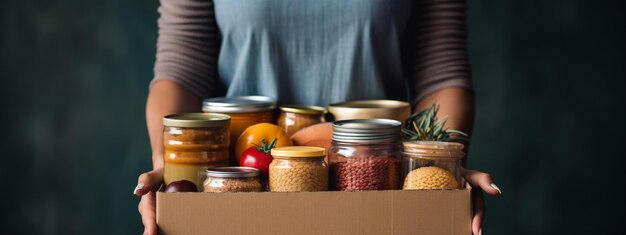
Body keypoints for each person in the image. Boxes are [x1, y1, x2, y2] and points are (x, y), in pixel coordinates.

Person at [133, 0, 501, 234]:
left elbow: (441, 72)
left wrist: (438, 164)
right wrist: (169, 165)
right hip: (243, 192)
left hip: (378, 194)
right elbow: (181, 71)